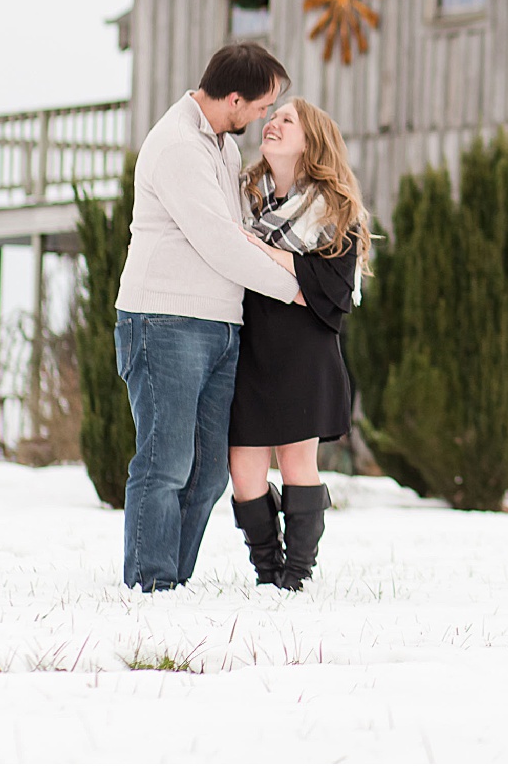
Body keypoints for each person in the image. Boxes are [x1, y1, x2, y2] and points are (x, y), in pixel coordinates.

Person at [115, 44, 300, 592]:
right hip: (165, 320)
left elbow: (242, 233)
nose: (263, 117)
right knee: (166, 463)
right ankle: (150, 588)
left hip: (220, 325)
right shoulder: (178, 146)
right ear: (234, 98)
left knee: (209, 473)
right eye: (262, 105)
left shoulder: (219, 144)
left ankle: (173, 581)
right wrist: (297, 292)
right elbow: (221, 243)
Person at [226, 99, 370, 590]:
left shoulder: (335, 211)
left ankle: (295, 577)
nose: (273, 123)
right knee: (244, 474)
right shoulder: (241, 198)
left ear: (311, 141)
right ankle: (268, 570)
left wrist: (266, 252)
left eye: (288, 120)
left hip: (303, 353)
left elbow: (332, 291)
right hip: (249, 347)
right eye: (273, 116)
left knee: (295, 463)